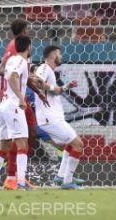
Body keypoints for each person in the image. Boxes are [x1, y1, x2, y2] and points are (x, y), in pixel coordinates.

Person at [0, 19, 47, 191]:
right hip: (15, 99)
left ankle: (14, 176)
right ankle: (14, 177)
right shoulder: (15, 47)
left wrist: (33, 84)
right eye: (28, 28)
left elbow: (13, 73)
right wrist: (23, 86)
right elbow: (4, 71)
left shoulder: (19, 47)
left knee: (29, 134)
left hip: (18, 97)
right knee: (22, 138)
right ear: (25, 30)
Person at [0, 35, 33, 190]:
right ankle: (20, 183)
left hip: (4, 105)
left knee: (5, 145)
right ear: (28, 47)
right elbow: (13, 77)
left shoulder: (11, 59)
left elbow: (3, 72)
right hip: (13, 105)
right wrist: (21, 98)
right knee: (22, 143)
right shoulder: (21, 61)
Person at [35, 46, 84, 190]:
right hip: (49, 118)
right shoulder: (44, 68)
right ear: (54, 55)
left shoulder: (50, 72)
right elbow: (37, 82)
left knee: (70, 145)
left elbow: (54, 91)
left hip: (53, 118)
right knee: (78, 144)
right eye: (60, 53)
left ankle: (61, 176)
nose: (61, 56)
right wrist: (50, 88)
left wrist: (66, 86)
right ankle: (67, 181)